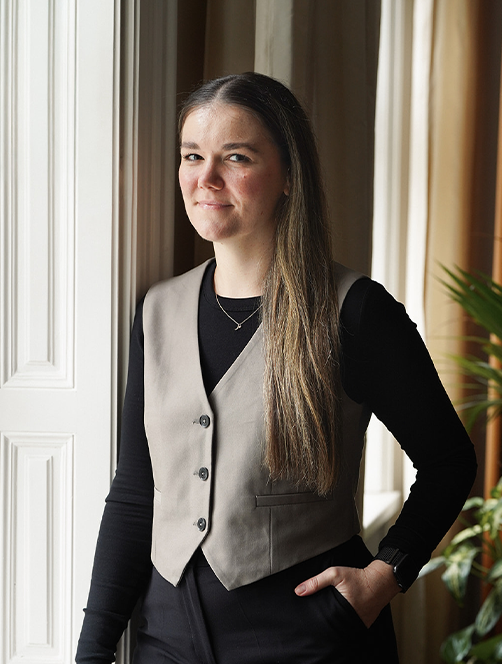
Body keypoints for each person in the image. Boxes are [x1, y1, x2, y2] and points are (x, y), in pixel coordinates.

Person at [76, 72, 477, 664]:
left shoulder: (355, 312)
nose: (206, 178)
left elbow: (449, 461)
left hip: (309, 635)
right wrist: (93, 649)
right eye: (193, 156)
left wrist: (384, 575)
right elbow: (137, 493)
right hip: (167, 637)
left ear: (290, 175)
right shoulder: (156, 310)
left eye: (235, 157)